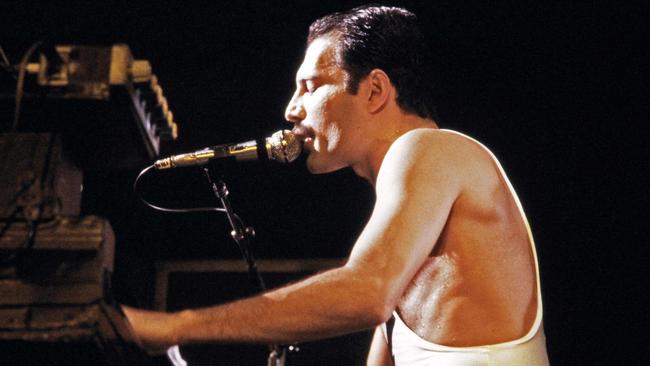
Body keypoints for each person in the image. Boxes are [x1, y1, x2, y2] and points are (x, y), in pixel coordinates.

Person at [123, 5, 550, 365]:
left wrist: (175, 326)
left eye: (309, 87)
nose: (291, 110)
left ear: (374, 90)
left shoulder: (428, 149)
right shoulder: (412, 216)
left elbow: (365, 290)